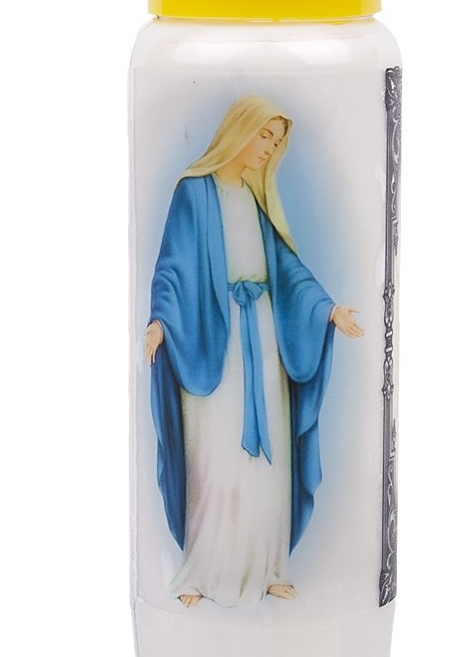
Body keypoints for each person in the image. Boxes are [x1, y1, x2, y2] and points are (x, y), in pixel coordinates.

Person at [145, 95, 363, 609]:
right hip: (213, 338)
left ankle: (267, 568)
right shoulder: (194, 192)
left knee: (268, 459)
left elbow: (287, 269)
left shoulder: (255, 198)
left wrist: (330, 311)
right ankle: (202, 571)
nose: (269, 148)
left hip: (262, 339)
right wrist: (160, 320)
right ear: (239, 130)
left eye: (276, 140)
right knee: (215, 453)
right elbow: (173, 265)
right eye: (264, 135)